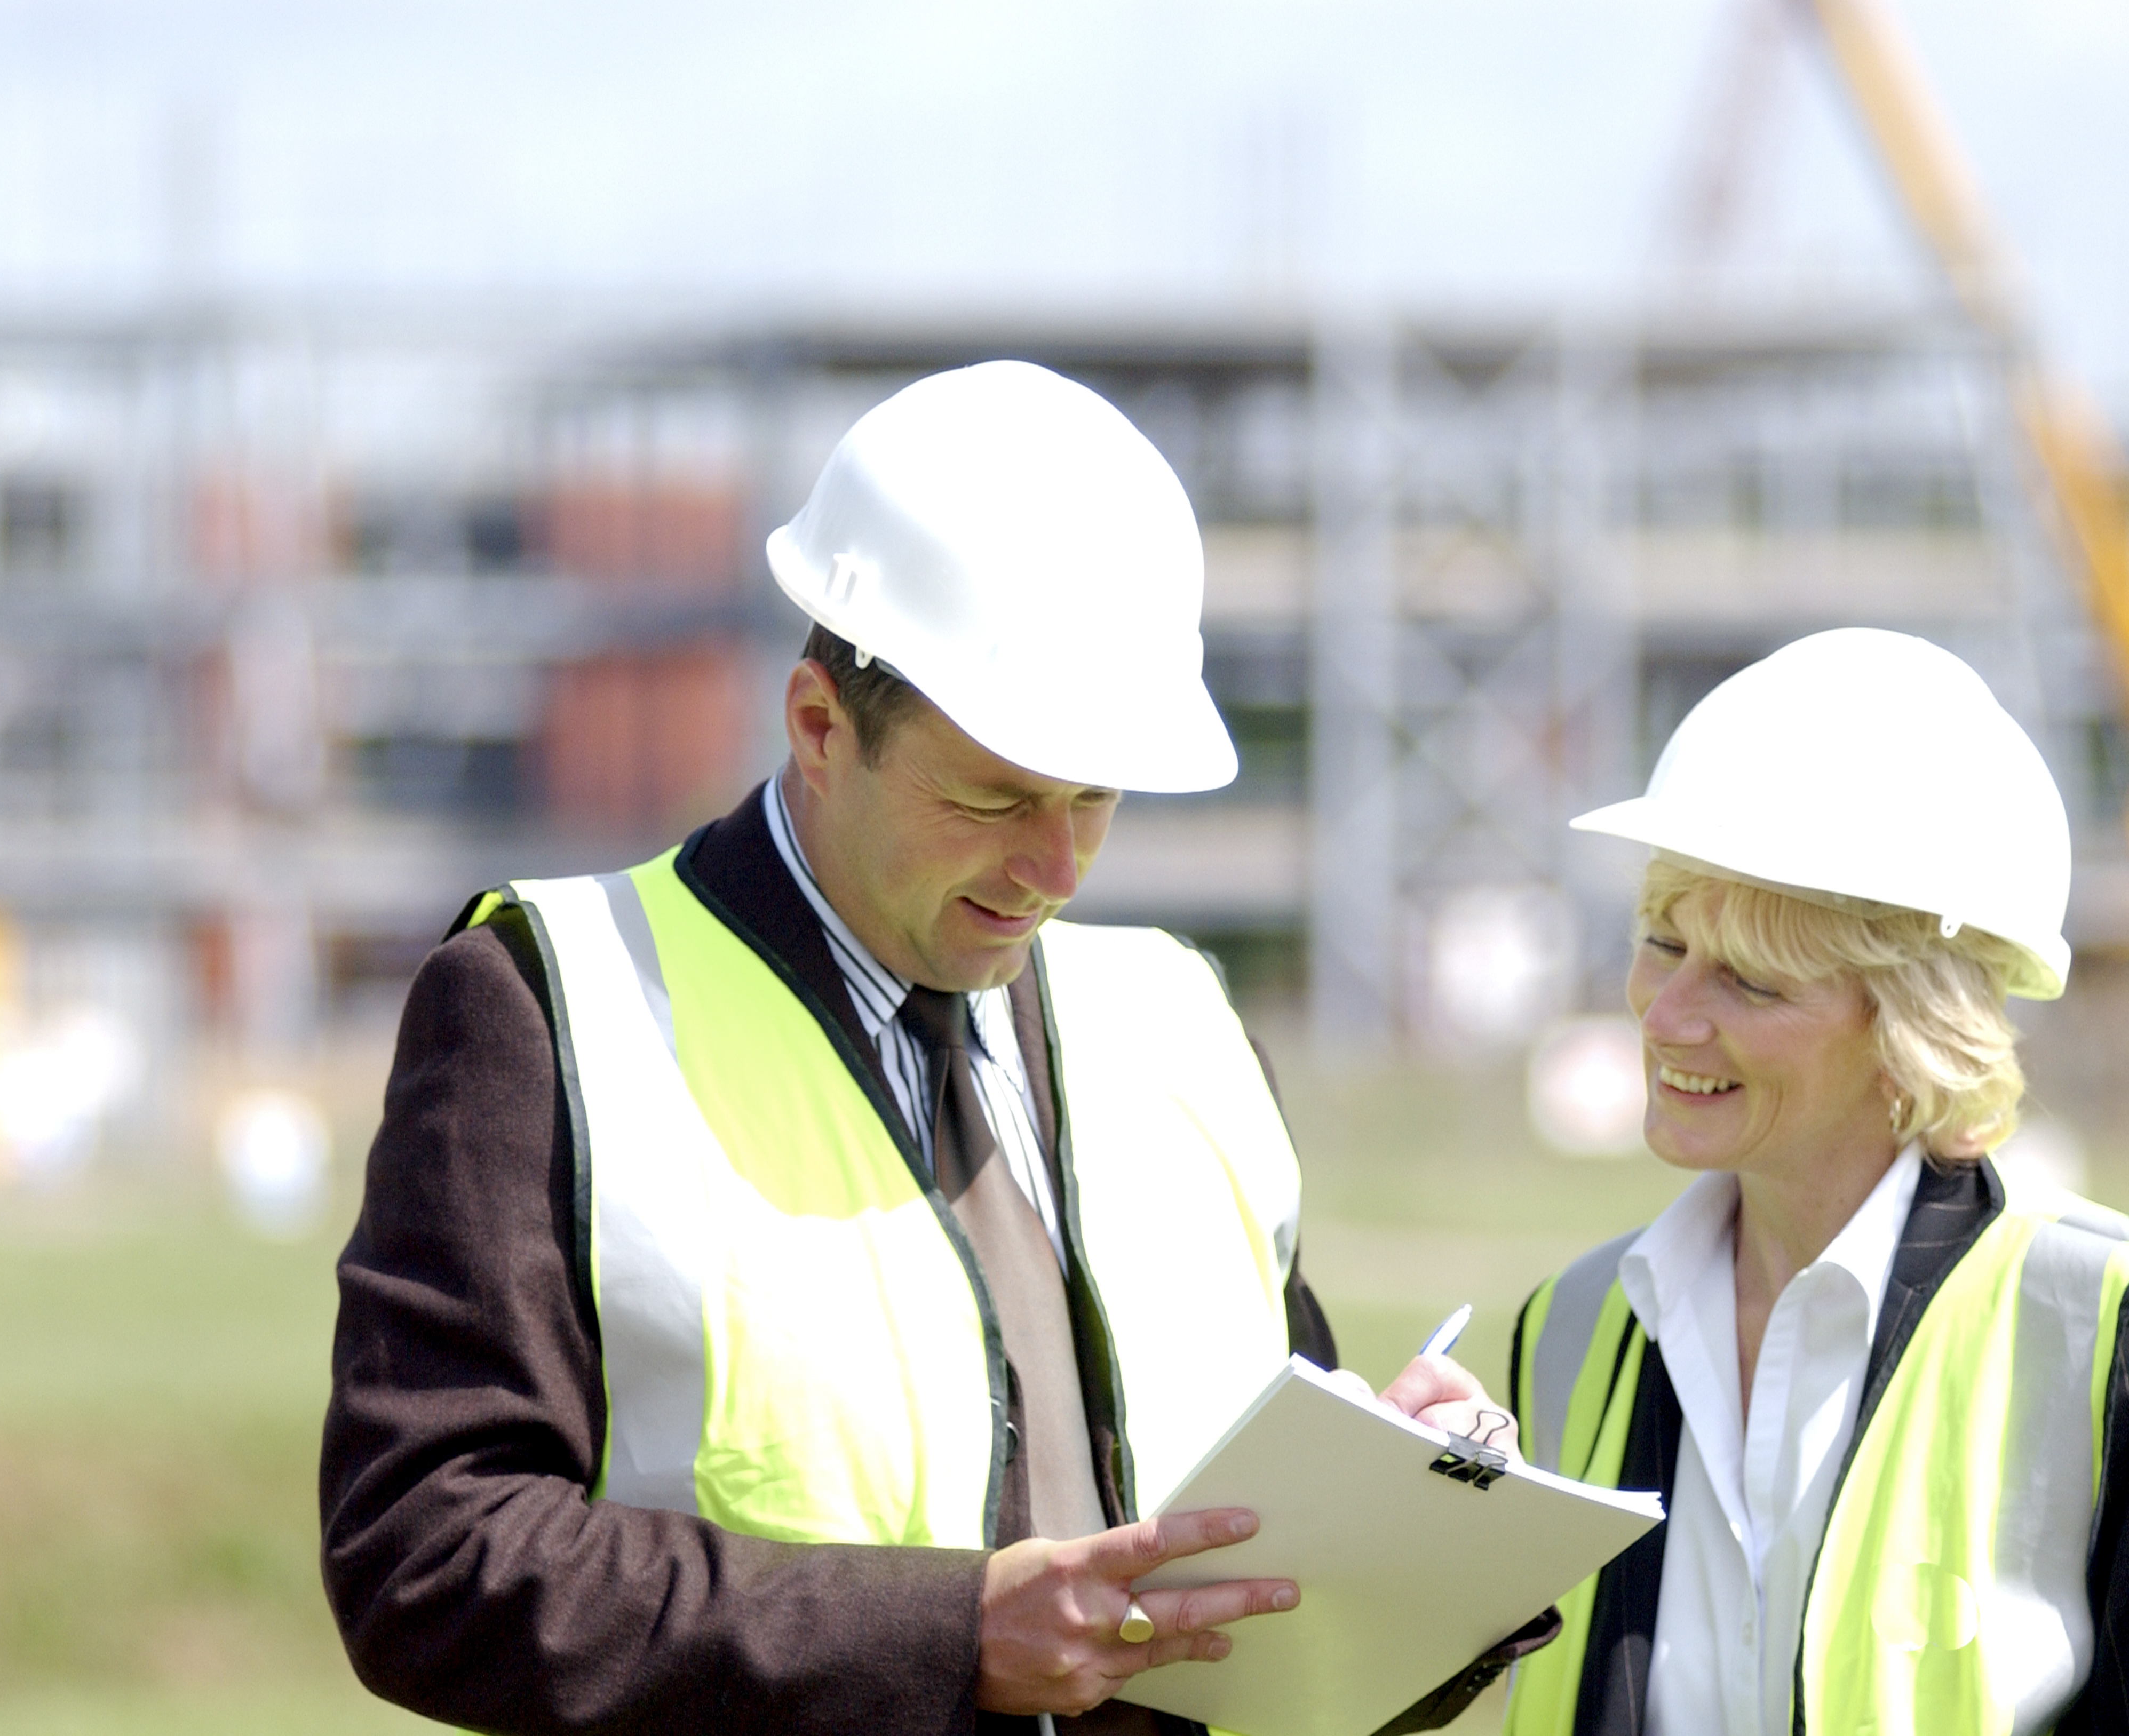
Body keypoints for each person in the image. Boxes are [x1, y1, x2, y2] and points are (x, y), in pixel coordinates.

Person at [319, 360, 1529, 1735]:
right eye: (995, 797)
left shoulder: (1176, 1019)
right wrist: (945, 1641)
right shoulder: (550, 1006)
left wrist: (1404, 1508)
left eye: (1094, 798)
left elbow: (1251, 1562)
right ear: (821, 727)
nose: (1054, 864)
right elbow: (424, 1553)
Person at [1502, 628, 2129, 1736]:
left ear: (1913, 1026)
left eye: (1751, 979)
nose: (1667, 1014)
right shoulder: (1571, 1331)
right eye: (1659, 941)